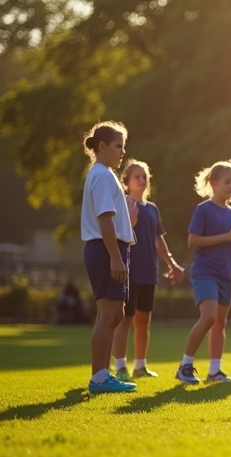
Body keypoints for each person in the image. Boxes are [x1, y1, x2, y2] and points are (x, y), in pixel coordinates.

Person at [175, 161, 231, 385]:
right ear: (214, 183)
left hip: (227, 274)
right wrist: (227, 235)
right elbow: (192, 240)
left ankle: (214, 371)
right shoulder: (204, 209)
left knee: (220, 323)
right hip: (205, 272)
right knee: (208, 317)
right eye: (227, 182)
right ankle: (185, 366)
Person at [110, 160, 185, 382]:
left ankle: (140, 366)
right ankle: (121, 366)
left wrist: (172, 263)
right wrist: (130, 221)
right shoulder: (122, 205)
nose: (142, 180)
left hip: (148, 272)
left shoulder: (152, 209)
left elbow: (157, 239)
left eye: (145, 177)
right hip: (127, 271)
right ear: (126, 181)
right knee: (125, 319)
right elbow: (116, 235)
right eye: (137, 177)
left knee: (143, 321)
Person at [80, 121, 137, 394]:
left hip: (110, 249)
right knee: (109, 313)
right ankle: (99, 378)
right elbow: (104, 218)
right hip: (106, 250)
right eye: (118, 146)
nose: (122, 152)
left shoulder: (104, 174)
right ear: (102, 147)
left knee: (115, 314)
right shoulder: (102, 175)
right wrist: (115, 257)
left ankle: (103, 375)